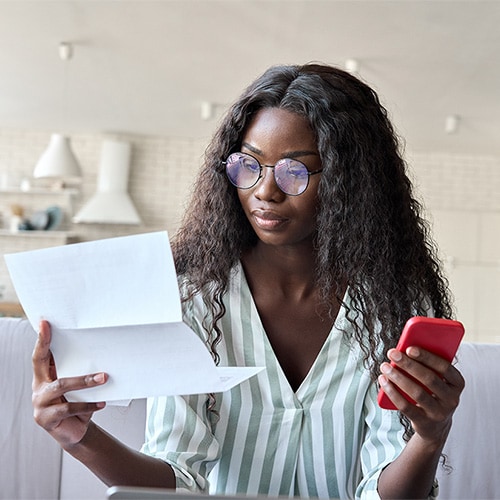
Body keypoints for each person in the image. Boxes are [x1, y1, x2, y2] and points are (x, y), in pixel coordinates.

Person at [32, 63, 464, 499]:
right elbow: (178, 477)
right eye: (248, 164)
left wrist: (429, 436)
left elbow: (383, 489)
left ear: (349, 183)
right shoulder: (195, 301)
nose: (264, 190)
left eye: (294, 171)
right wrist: (80, 438)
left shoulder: (393, 306)